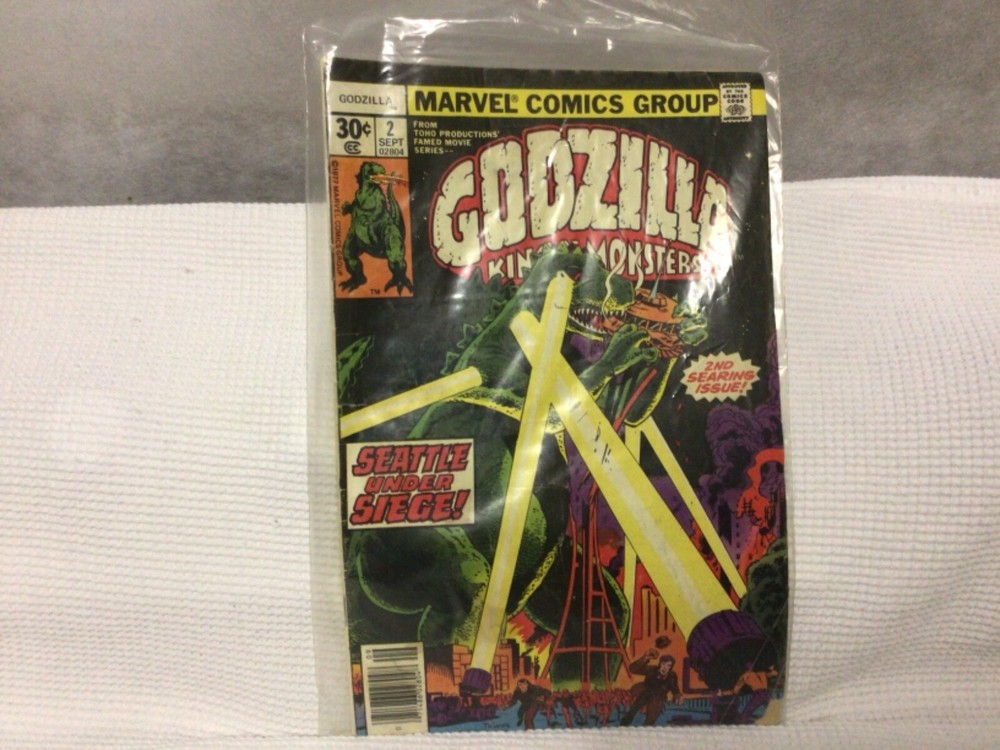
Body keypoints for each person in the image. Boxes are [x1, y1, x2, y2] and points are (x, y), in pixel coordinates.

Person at [620, 651, 683, 726]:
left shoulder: (672, 676)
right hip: (645, 692)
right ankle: (625, 723)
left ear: (671, 667)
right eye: (663, 664)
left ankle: (647, 728)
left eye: (668, 665)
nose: (665, 667)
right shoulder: (652, 669)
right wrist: (644, 659)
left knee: (650, 720)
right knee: (633, 710)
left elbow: (675, 688)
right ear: (660, 664)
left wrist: (677, 696)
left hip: (658, 698)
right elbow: (633, 669)